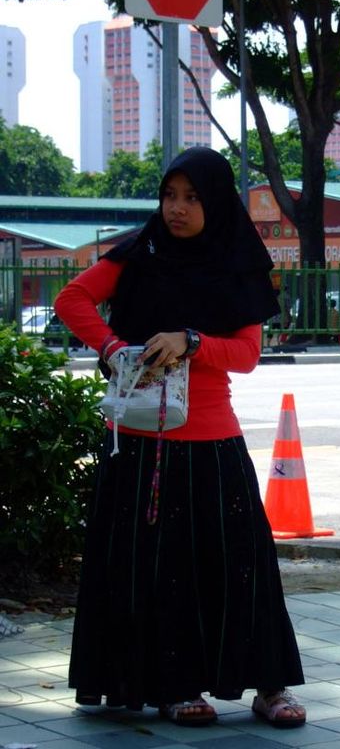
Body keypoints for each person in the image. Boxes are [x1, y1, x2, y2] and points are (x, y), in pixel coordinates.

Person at [53, 147, 306, 729]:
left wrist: (190, 341)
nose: (178, 208)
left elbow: (246, 354)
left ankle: (269, 688)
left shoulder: (236, 261)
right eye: (170, 195)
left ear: (214, 201)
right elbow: (72, 300)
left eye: (192, 197)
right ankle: (174, 686)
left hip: (215, 441)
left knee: (243, 565)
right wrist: (115, 347)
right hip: (143, 442)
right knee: (159, 568)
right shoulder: (139, 253)